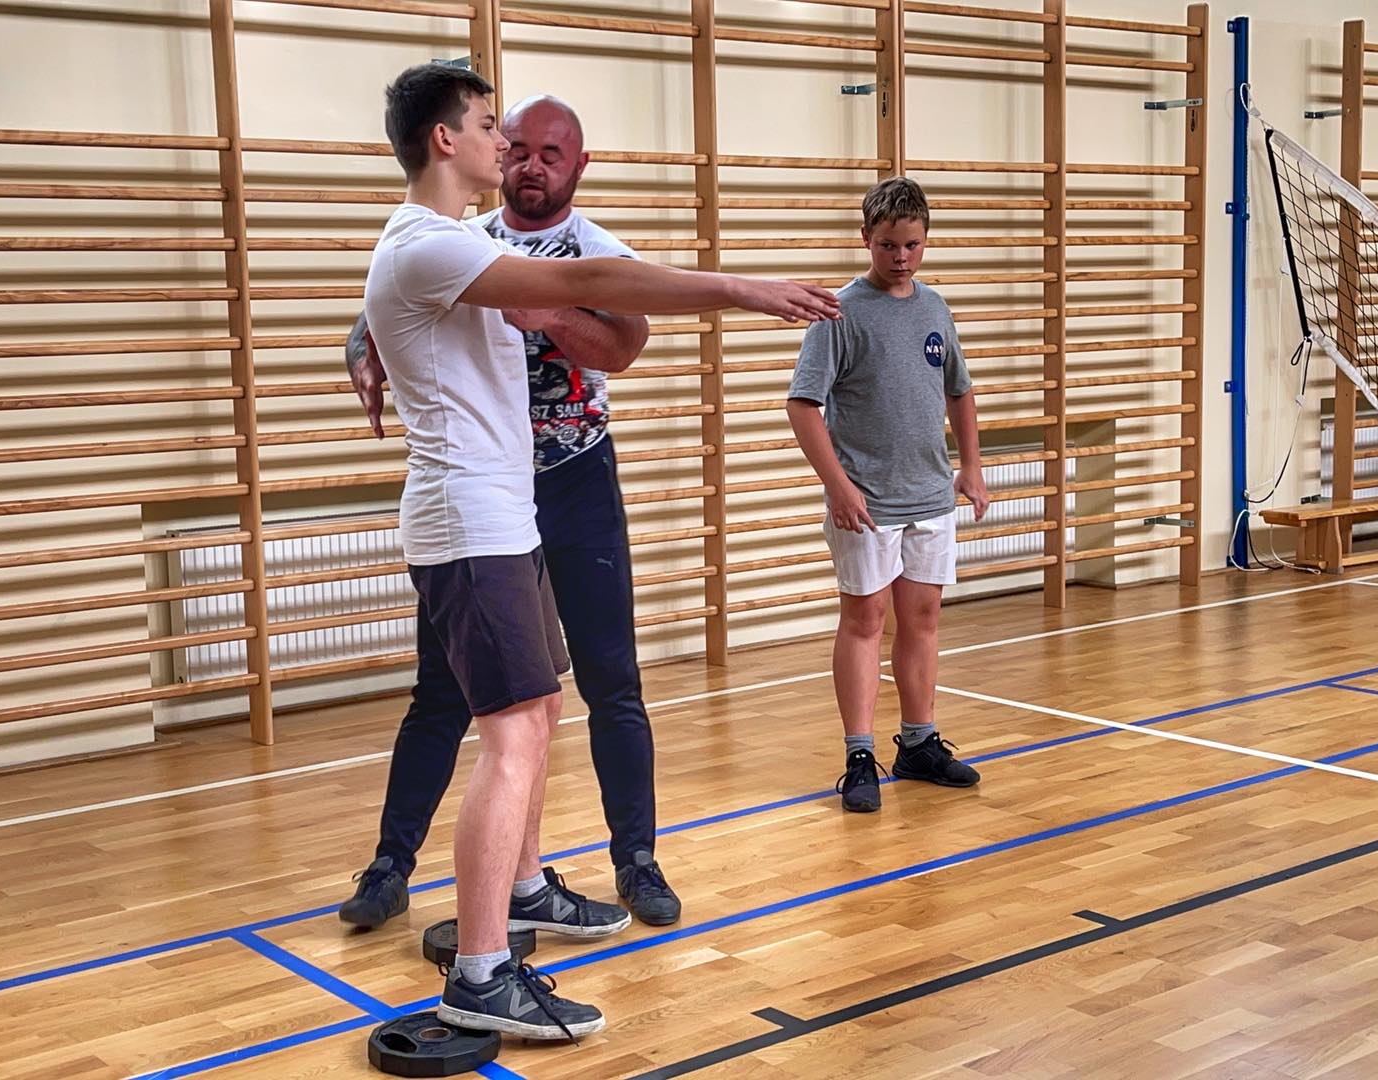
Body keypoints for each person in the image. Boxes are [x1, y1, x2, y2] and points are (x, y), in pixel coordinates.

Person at [361, 62, 839, 1041]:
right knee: (513, 735)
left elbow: (588, 314)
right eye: (488, 126)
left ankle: (525, 889)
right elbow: (583, 282)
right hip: (469, 523)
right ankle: (481, 973)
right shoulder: (427, 245)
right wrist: (740, 287)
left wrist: (361, 341)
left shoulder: (453, 244)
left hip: (508, 518)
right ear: (446, 140)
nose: (504, 145)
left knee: (539, 710)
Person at [340, 94, 682, 937]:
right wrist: (360, 343)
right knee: (447, 692)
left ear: (579, 165)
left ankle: (635, 858)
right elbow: (391, 301)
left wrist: (554, 311)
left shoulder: (597, 252)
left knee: (603, 682)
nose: (527, 163)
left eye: (549, 153)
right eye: (515, 144)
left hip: (572, 479)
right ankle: (391, 863)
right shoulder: (464, 234)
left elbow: (623, 347)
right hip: (486, 496)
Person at [786, 176, 988, 816]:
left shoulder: (935, 308)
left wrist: (971, 467)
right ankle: (858, 754)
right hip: (867, 503)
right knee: (865, 621)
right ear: (865, 240)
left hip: (930, 495)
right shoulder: (839, 314)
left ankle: (919, 743)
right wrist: (838, 485)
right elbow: (803, 405)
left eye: (912, 245)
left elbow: (959, 390)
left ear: (926, 241)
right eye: (887, 245)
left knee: (922, 619)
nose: (901, 257)